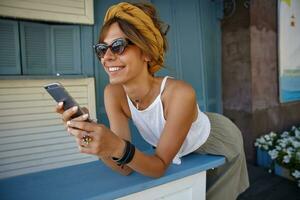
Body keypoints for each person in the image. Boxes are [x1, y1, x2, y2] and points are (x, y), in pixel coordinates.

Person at [56, 2, 249, 199]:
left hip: (217, 140)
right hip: (179, 145)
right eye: (101, 49)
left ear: (147, 53)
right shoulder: (113, 93)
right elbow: (124, 167)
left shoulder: (180, 94)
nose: (106, 57)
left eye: (118, 46)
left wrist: (115, 145)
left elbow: (158, 167)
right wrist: (92, 137)